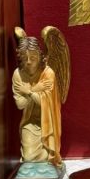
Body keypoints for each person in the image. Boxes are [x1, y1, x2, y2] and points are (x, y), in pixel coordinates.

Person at [12, 36, 63, 168]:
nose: (29, 62)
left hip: (48, 123)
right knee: (29, 158)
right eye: (25, 58)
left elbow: (46, 102)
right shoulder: (18, 75)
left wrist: (28, 91)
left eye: (33, 58)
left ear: (40, 57)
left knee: (47, 157)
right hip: (30, 123)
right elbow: (20, 105)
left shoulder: (48, 73)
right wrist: (36, 90)